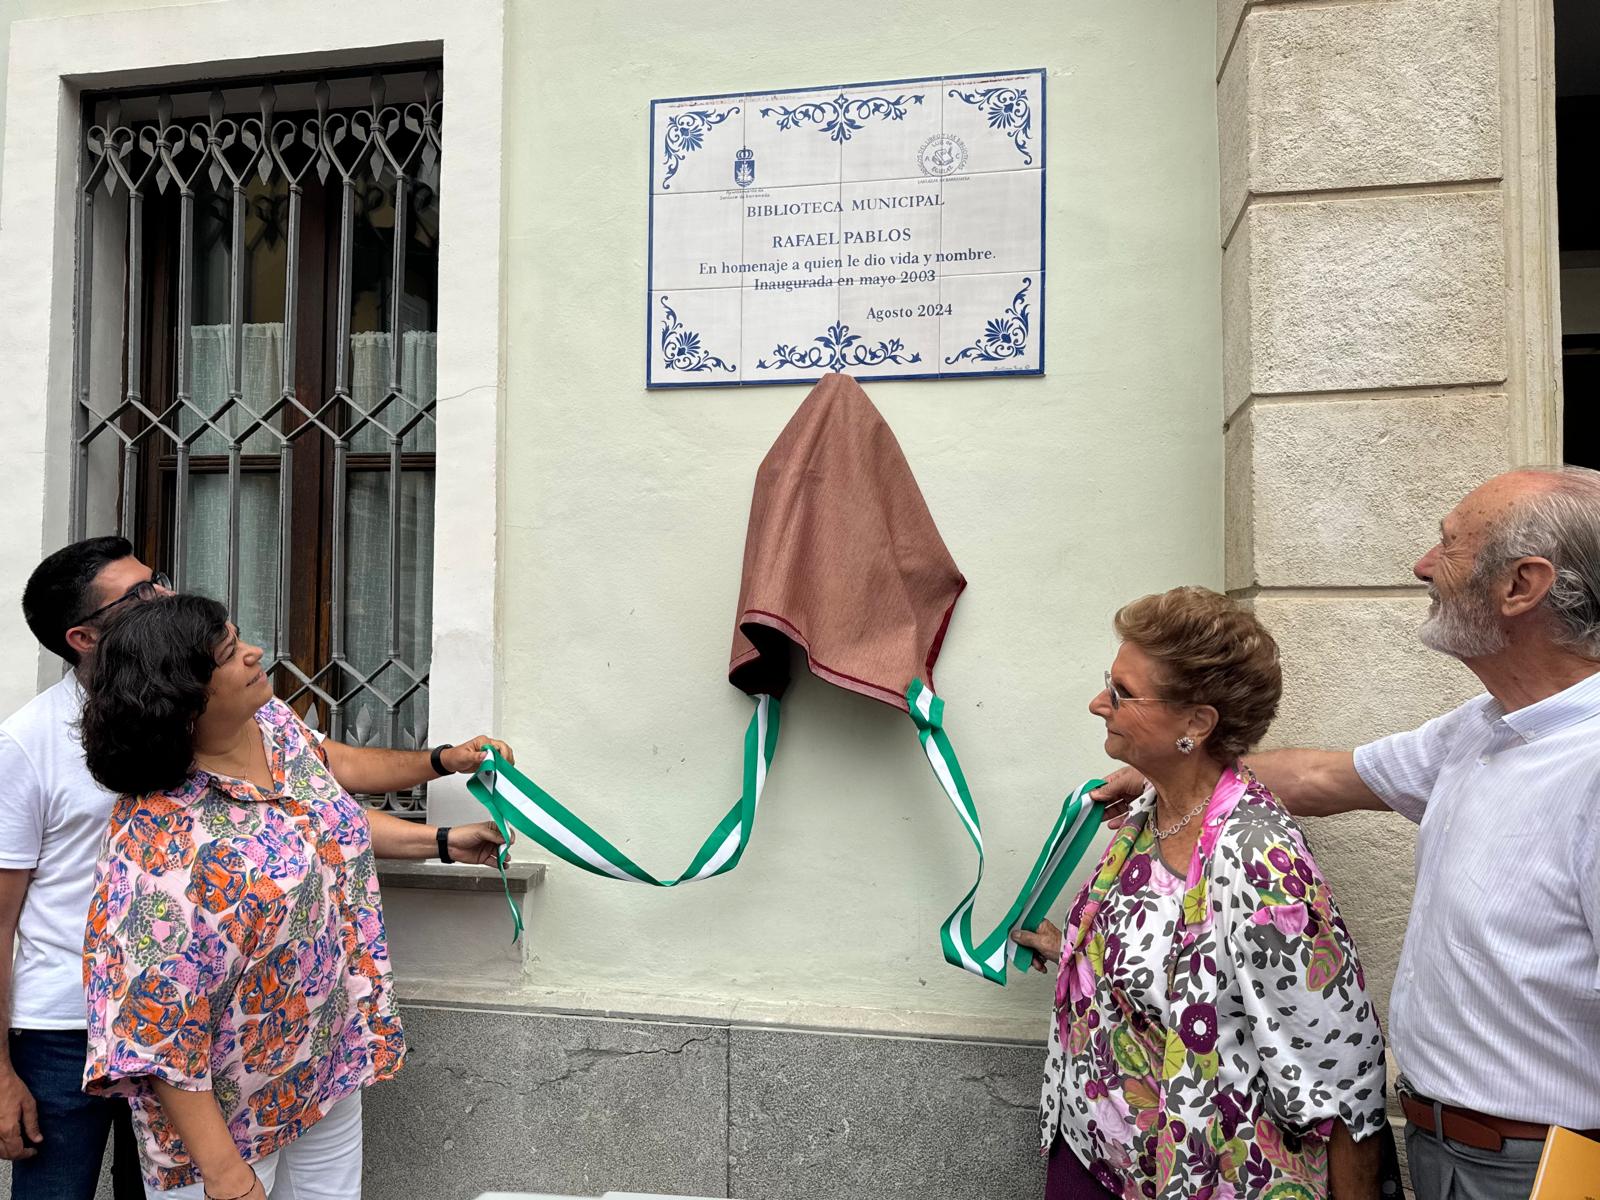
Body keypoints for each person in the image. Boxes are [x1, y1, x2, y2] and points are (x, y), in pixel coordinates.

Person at [1092, 467, 1600, 1200]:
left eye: (1448, 545)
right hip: (1443, 1147)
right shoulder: (1480, 731)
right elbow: (1325, 778)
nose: (1423, 565)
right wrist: (1167, 770)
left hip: (1543, 1168)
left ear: (1521, 585)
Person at [0, 540, 511, 1199]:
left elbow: (326, 813)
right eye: (137, 597)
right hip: (111, 1040)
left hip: (301, 1054)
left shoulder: (267, 726)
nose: (159, 595)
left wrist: (442, 829)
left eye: (158, 582)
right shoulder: (145, 829)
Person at [1013, 587, 1387, 1200]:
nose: (1097, 704)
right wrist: (1073, 951)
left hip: (1198, 1178)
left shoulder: (1261, 861)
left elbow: (1344, 1076)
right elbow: (1174, 963)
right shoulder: (1150, 811)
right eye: (1108, 682)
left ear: (1196, 723)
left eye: (1122, 693)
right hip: (1092, 1153)